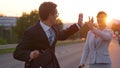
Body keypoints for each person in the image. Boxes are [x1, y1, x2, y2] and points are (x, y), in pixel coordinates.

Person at [13, 1, 83, 68]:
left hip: (52, 65)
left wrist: (78, 25)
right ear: (50, 15)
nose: (57, 16)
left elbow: (63, 34)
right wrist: (30, 54)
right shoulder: (31, 32)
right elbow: (17, 53)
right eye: (56, 14)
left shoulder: (54, 28)